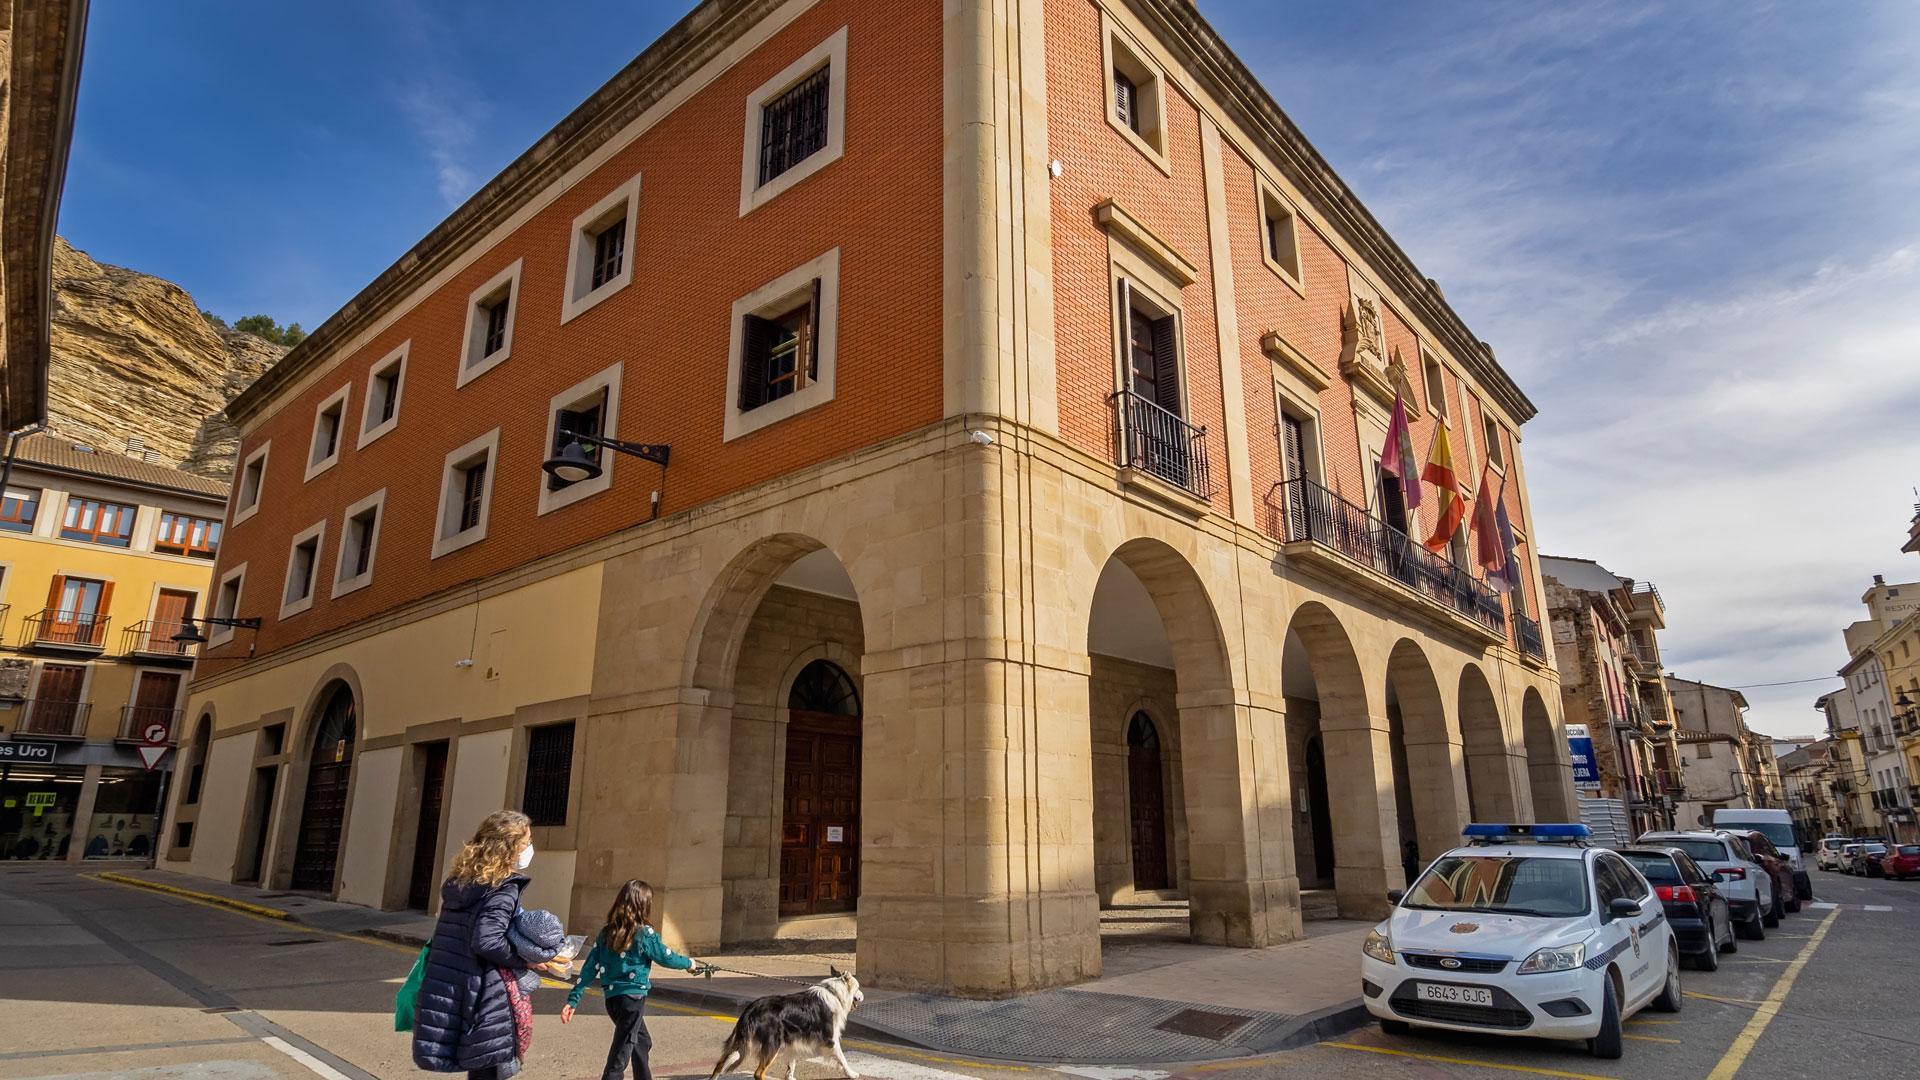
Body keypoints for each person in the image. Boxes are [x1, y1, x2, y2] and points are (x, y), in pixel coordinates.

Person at [412, 810, 560, 1078]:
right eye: (526, 842)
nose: (529, 848)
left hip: (455, 982)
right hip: (486, 990)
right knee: (491, 1066)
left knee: (481, 1065)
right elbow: (487, 940)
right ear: (510, 845)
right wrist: (524, 959)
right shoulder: (502, 887)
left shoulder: (462, 880)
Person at [562, 880, 704, 1080]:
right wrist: (689, 963)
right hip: (633, 1000)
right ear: (643, 906)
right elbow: (666, 956)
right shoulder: (645, 934)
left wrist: (573, 999)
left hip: (613, 1000)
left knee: (642, 1042)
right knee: (619, 1058)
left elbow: (589, 968)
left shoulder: (606, 933)